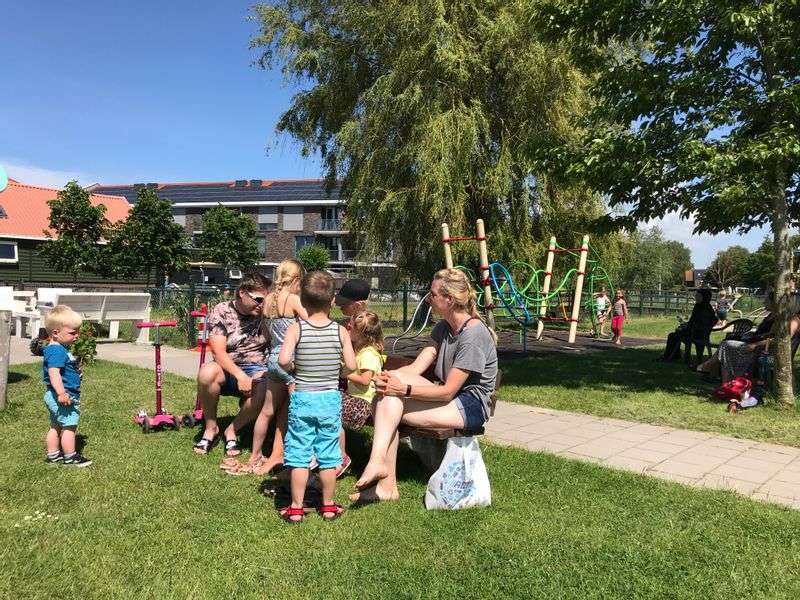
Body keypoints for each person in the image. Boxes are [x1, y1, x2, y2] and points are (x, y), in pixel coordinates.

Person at [351, 268, 498, 503]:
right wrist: (387, 377)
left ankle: (384, 480)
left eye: (432, 294)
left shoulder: (474, 335)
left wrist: (404, 389)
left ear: (449, 299)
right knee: (388, 395)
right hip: (449, 398)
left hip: (469, 405)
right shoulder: (443, 328)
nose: (428, 299)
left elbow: (448, 391)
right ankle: (382, 475)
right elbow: (416, 368)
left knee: (389, 401)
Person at [277, 271, 357, 523]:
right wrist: (339, 370)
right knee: (329, 453)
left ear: (303, 300)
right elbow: (352, 366)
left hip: (303, 399)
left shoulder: (296, 329)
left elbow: (282, 360)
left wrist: (293, 369)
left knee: (299, 453)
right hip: (329, 399)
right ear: (333, 300)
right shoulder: (340, 331)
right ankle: (329, 505)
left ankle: (297, 508)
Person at [222, 260, 307, 475]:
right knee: (295, 411)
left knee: (267, 411)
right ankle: (293, 458)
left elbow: (268, 335)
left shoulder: (268, 300)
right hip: (291, 360)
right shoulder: (294, 300)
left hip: (274, 360)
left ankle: (255, 455)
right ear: (295, 279)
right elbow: (312, 326)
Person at [193, 272, 272, 456]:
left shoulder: (266, 314)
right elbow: (218, 352)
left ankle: (232, 430)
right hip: (227, 367)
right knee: (206, 373)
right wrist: (240, 376)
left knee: (264, 385)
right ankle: (211, 428)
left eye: (265, 301)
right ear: (243, 292)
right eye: (258, 299)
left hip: (258, 367)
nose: (262, 305)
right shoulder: (221, 310)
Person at [42, 305, 91, 467]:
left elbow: (62, 371)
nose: (77, 335)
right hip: (62, 396)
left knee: (55, 426)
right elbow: (54, 373)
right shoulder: (57, 351)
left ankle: (53, 455)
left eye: (78, 331)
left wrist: (76, 374)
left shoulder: (58, 348)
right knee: (70, 426)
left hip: (53, 395)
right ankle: (70, 457)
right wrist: (62, 393)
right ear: (55, 333)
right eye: (72, 332)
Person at [334, 278, 371, 473]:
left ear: (357, 305)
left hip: (357, 389)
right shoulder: (350, 323)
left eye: (343, 303)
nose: (339, 306)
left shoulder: (364, 327)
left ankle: (339, 456)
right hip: (347, 382)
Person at [340, 311, 386, 433]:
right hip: (355, 398)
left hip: (363, 403)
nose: (348, 328)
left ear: (361, 333)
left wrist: (345, 374)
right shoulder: (362, 350)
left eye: (351, 326)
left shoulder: (368, 354)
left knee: (328, 406)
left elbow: (365, 380)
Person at [659, 289, 717, 363]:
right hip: (700, 333)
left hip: (695, 334)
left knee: (672, 335)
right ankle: (673, 356)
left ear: (704, 297)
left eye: (698, 296)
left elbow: (698, 323)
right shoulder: (707, 307)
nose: (696, 297)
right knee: (676, 333)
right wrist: (686, 325)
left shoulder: (701, 308)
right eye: (696, 295)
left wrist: (686, 327)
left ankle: (670, 356)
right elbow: (697, 321)